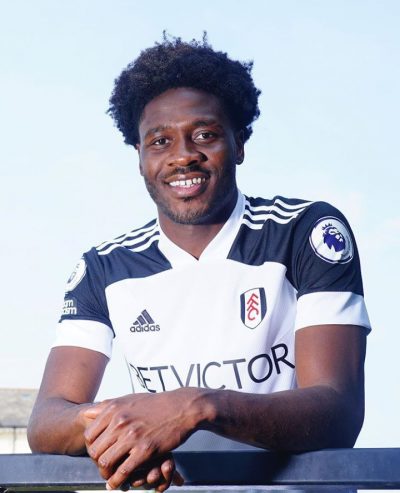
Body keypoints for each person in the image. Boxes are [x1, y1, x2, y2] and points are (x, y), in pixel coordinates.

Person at [28, 35, 371, 492]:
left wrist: (195, 407)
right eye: (160, 141)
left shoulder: (305, 231)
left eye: (205, 135)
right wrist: (125, 428)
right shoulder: (104, 267)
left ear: (239, 143)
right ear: (140, 158)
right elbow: (47, 421)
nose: (182, 155)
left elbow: (338, 411)